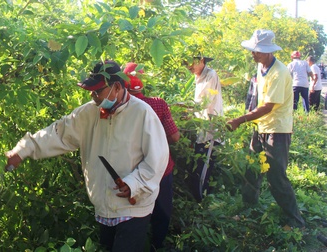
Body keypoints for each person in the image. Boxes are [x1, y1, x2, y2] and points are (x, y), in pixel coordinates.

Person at [5, 60, 170, 251]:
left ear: (116, 87)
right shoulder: (89, 112)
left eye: (98, 91)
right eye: (91, 91)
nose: (93, 96)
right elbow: (58, 133)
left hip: (134, 206)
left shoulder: (142, 113)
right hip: (104, 206)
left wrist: (134, 184)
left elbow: (157, 159)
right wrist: (24, 149)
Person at [227, 29, 305, 229]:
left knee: (276, 176)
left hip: (277, 130)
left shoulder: (279, 72)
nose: (253, 54)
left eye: (257, 51)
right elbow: (256, 99)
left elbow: (268, 106)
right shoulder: (261, 68)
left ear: (269, 51)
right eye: (253, 50)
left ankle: (296, 221)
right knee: (252, 169)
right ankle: (248, 208)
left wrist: (240, 120)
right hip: (260, 126)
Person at [123, 62, 180, 251]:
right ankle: (157, 244)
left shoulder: (119, 108)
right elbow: (174, 136)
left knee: (133, 212)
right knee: (162, 210)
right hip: (161, 169)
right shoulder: (158, 104)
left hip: (132, 171)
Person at [185, 55, 224, 202]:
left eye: (191, 62)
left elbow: (203, 102)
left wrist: (186, 110)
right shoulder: (199, 77)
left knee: (203, 169)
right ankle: (197, 201)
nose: (189, 66)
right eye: (186, 63)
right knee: (198, 166)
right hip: (202, 129)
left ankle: (201, 204)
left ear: (202, 61)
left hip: (211, 131)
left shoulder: (210, 75)